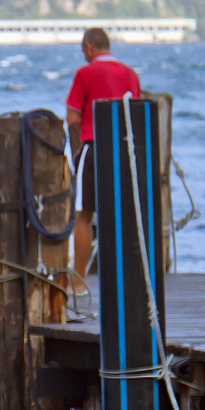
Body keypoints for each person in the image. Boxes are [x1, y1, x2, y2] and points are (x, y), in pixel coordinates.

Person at [65, 27, 141, 282]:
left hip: (94, 146)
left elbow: (73, 118)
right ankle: (122, 277)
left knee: (83, 215)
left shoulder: (85, 73)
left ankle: (78, 281)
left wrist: (75, 151)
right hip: (124, 150)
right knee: (121, 212)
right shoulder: (131, 75)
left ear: (88, 47)